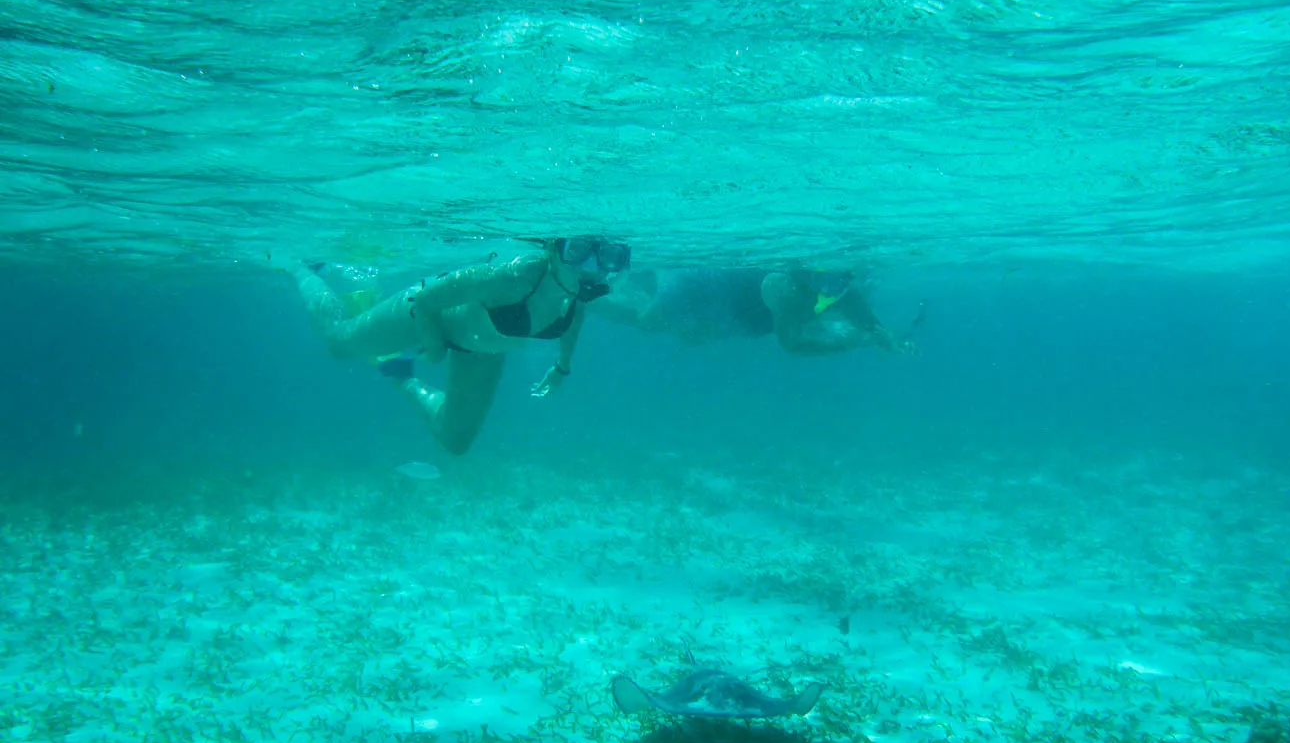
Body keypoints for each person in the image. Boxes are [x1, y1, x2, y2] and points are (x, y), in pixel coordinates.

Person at [282, 236, 631, 455]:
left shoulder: (578, 291)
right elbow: (428, 299)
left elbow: (573, 320)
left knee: (455, 441)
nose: (592, 267)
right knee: (338, 343)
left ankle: (394, 369)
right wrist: (434, 347)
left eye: (608, 256)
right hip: (423, 313)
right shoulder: (511, 277)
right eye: (579, 250)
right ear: (553, 250)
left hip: (480, 344)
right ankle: (298, 268)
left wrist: (561, 367)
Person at [590, 265, 923, 356]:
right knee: (647, 321)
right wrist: (852, 342)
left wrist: (879, 335)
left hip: (735, 315)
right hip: (700, 288)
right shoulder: (789, 284)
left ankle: (600, 291)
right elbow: (793, 344)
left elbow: (858, 311)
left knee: (681, 332)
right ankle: (586, 295)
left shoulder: (841, 286)